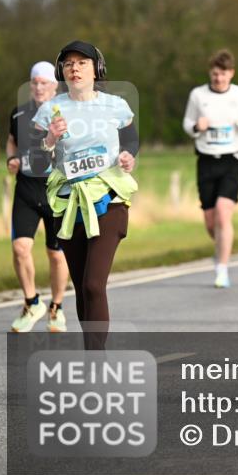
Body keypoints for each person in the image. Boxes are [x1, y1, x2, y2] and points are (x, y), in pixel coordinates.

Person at [33, 41, 139, 350]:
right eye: (68, 64)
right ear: (62, 71)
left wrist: (129, 156)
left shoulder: (115, 105)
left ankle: (96, 358)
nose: (74, 68)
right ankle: (91, 351)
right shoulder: (50, 110)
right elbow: (38, 162)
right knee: (81, 287)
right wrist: (50, 138)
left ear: (97, 69)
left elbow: (131, 140)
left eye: (82, 63)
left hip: (109, 199)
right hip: (68, 203)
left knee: (94, 283)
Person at [182, 50, 238, 288]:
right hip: (206, 159)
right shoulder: (198, 95)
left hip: (233, 158)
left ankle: (222, 269)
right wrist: (197, 126)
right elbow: (187, 123)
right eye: (215, 74)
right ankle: (223, 246)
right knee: (211, 222)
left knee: (224, 213)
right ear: (210, 73)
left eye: (223, 74)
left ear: (231, 73)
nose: (219, 78)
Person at [7, 62, 70, 332]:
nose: (39, 87)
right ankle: (32, 302)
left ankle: (56, 307)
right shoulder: (19, 112)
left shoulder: (65, 112)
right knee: (20, 248)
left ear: (54, 86)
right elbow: (11, 139)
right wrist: (12, 157)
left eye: (44, 82)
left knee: (56, 255)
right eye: (35, 82)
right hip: (26, 190)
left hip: (56, 190)